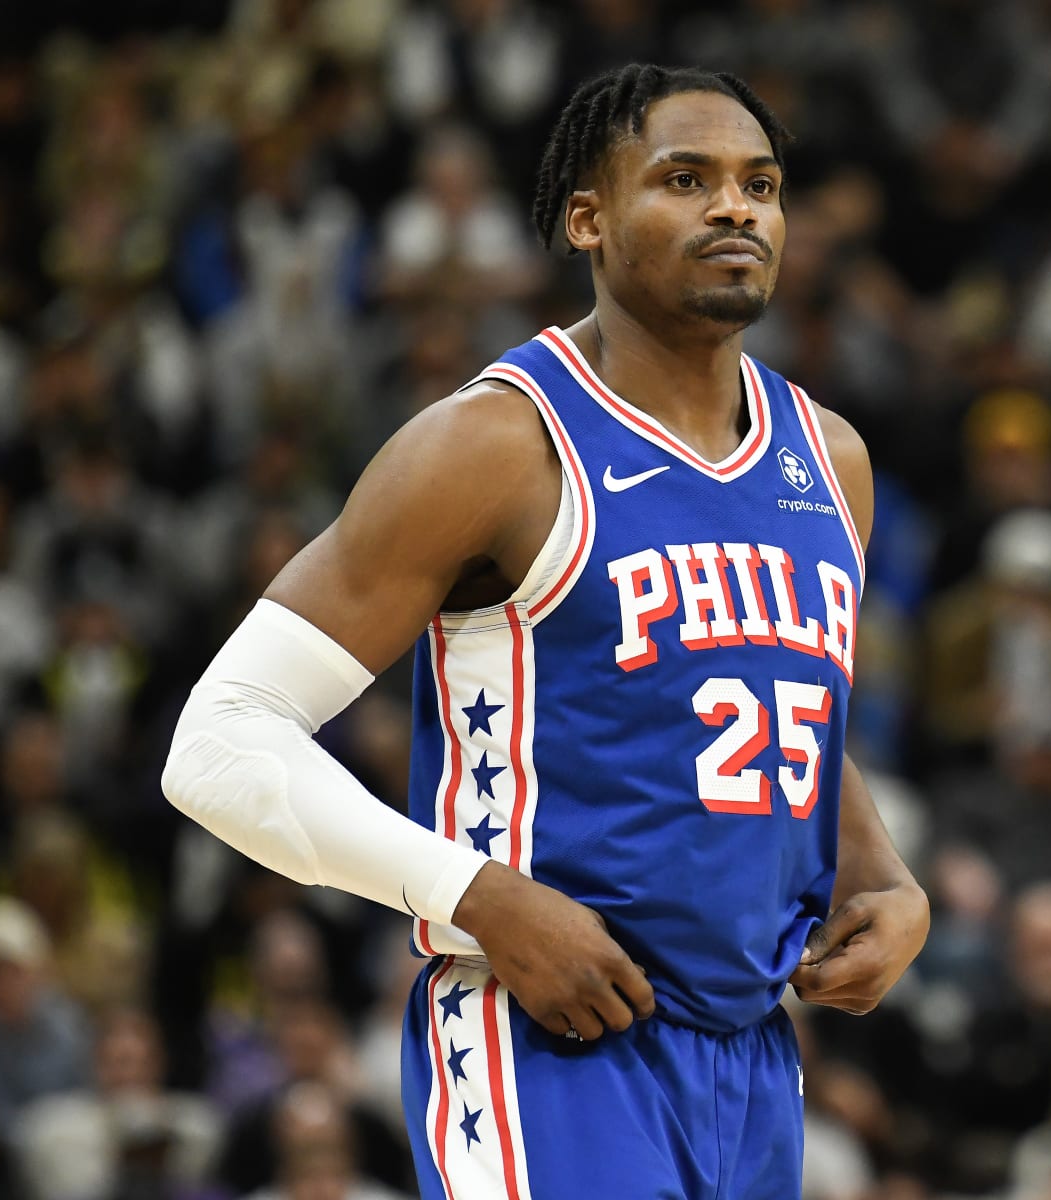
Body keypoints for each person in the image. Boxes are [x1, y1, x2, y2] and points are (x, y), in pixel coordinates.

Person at [159, 63, 930, 1200]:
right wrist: (482, 898)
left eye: (760, 184)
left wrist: (885, 879)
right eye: (686, 179)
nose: (737, 209)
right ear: (588, 218)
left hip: (754, 1056)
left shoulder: (831, 460)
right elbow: (219, 743)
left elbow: (778, 713)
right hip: (544, 1042)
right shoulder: (496, 444)